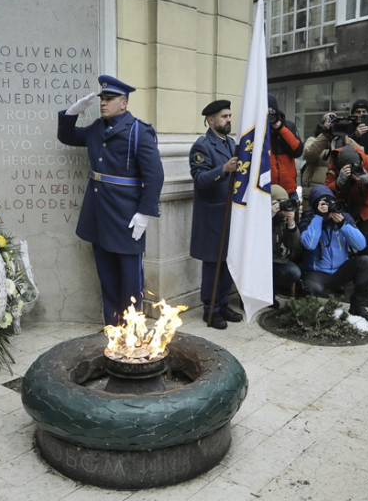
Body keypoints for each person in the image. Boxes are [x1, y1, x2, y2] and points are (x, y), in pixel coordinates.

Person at [57, 75, 164, 325]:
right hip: (98, 214)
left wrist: (145, 213)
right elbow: (68, 137)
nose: (103, 103)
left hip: (127, 216)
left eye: (109, 99)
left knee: (130, 279)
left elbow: (155, 175)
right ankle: (112, 328)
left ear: (123, 103)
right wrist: (71, 113)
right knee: (106, 277)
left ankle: (132, 330)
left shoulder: (139, 131)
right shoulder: (96, 128)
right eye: (102, 99)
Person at [188, 99, 243, 329]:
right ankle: (210, 308)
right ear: (211, 120)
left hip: (231, 215)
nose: (229, 120)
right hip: (212, 216)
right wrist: (224, 169)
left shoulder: (231, 144)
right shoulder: (202, 146)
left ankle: (222, 302)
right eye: (224, 117)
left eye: (230, 116)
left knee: (227, 263)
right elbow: (200, 180)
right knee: (213, 264)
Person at [300, 184, 368, 321]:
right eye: (322, 203)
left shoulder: (343, 218)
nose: (328, 207)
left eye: (330, 202)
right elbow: (309, 245)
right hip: (317, 273)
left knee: (366, 262)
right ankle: (309, 308)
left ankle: (358, 305)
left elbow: (361, 245)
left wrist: (343, 225)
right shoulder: (309, 220)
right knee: (312, 289)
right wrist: (318, 217)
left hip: (340, 271)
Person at [324, 144, 368, 266]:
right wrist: (338, 183)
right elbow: (326, 191)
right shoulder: (335, 163)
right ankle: (345, 269)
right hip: (347, 205)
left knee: (366, 242)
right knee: (343, 239)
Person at [267, 94, 303, 200]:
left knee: (291, 216)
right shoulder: (258, 129)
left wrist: (281, 128)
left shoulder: (288, 126)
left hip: (289, 190)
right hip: (268, 191)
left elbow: (298, 151)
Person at [270, 185, 302, 300]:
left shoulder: (284, 219)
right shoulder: (258, 217)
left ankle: (272, 292)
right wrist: (269, 217)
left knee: (294, 273)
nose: (282, 206)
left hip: (278, 261)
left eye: (285, 202)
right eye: (278, 203)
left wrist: (291, 223)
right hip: (259, 263)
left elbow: (295, 245)